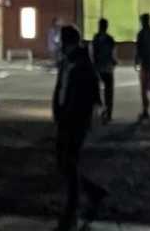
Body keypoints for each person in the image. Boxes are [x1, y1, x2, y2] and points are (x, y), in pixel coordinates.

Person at [51, 25, 106, 229]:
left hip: (76, 121)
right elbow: (61, 88)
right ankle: (93, 192)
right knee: (64, 162)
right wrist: (57, 110)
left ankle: (72, 210)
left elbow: (92, 92)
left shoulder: (83, 63)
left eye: (63, 42)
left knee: (69, 162)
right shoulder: (67, 62)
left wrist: (88, 114)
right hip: (64, 118)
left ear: (69, 43)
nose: (60, 46)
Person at [89, 18, 118, 124]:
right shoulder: (110, 39)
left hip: (98, 69)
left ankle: (97, 113)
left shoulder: (95, 38)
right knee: (109, 93)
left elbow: (92, 54)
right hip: (108, 69)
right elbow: (113, 54)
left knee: (96, 92)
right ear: (106, 27)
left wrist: (93, 65)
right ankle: (108, 114)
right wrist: (114, 62)